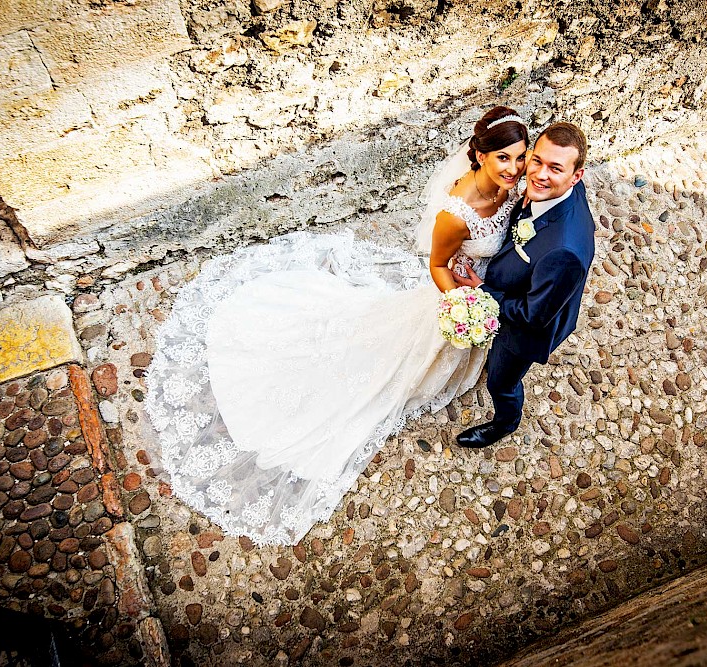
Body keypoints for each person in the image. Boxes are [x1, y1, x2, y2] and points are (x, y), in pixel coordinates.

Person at [144, 107, 528, 545]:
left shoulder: (512, 189)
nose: (514, 168)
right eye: (503, 158)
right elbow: (437, 265)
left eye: (520, 157)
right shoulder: (456, 214)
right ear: (479, 155)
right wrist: (461, 299)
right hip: (454, 291)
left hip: (479, 283)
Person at [452, 122, 595, 448]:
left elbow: (533, 316)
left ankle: (504, 423)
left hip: (523, 332)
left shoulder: (565, 251)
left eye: (555, 168)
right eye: (537, 160)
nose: (540, 175)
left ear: (576, 176)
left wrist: (481, 289)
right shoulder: (556, 193)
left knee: (501, 381)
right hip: (527, 280)